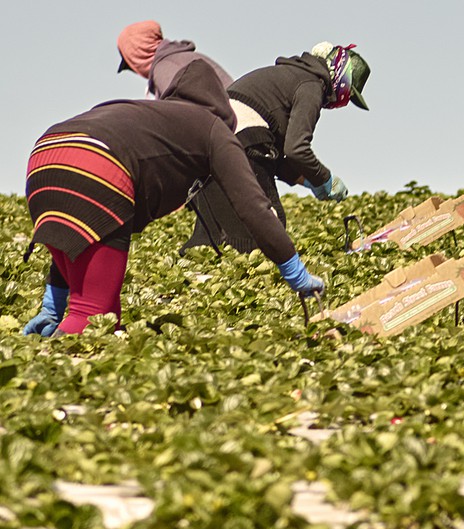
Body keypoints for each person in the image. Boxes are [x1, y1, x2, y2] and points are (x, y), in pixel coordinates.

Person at [20, 59, 326, 336]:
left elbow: (79, 230)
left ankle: (51, 349)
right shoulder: (214, 128)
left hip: (44, 158)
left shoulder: (154, 114)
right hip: (97, 165)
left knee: (99, 317)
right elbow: (253, 207)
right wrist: (294, 270)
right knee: (92, 318)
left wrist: (54, 302)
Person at [184, 42, 369, 255]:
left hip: (208, 139)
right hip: (243, 138)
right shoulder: (312, 84)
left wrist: (308, 181)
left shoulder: (288, 75)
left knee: (213, 236)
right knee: (268, 228)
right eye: (348, 94)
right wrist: (325, 178)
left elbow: (276, 157)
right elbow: (296, 148)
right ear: (341, 77)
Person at [115, 20, 232, 98]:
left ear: (138, 54)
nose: (135, 71)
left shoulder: (164, 69)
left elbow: (187, 115)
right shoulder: (184, 58)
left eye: (131, 64)